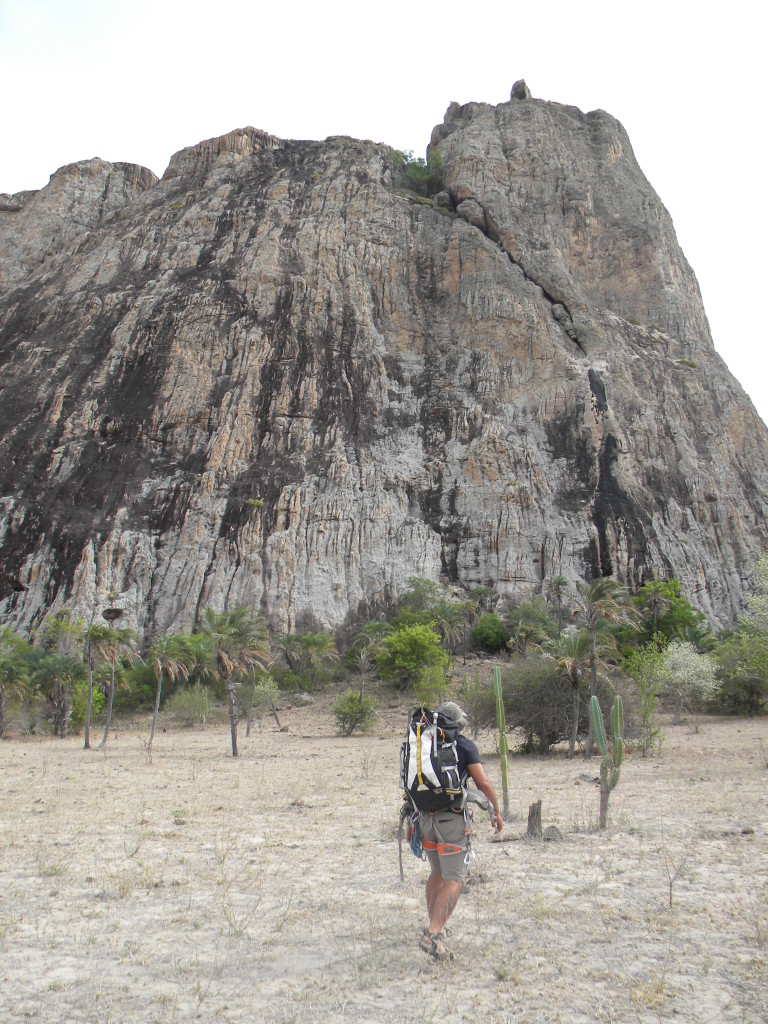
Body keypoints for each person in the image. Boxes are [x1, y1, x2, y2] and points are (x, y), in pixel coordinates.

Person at [418, 701, 503, 960]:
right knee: (455, 878)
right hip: (452, 822)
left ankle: (435, 929)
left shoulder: (423, 743)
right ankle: (432, 933)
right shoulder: (463, 745)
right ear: (459, 724)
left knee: (437, 872)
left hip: (425, 820)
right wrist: (496, 812)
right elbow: (483, 782)